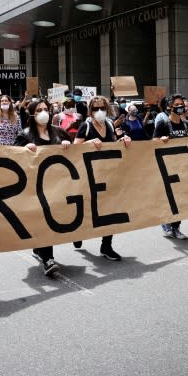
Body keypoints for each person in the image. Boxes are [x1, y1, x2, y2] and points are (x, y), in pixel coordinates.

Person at [14, 100, 72, 275]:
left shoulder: (59, 133)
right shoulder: (25, 135)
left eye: (46, 109)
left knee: (51, 219)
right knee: (45, 219)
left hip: (56, 184)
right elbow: (12, 156)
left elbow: (76, 153)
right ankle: (48, 259)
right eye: (39, 110)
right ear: (32, 114)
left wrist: (67, 146)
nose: (43, 112)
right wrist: (24, 149)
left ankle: (40, 247)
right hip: (34, 186)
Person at [72, 96, 131, 260]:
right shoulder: (86, 126)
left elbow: (111, 144)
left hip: (108, 174)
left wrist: (122, 141)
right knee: (87, 209)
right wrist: (89, 143)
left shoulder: (111, 124)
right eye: (96, 108)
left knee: (110, 209)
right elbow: (74, 149)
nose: (99, 111)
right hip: (88, 176)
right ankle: (78, 232)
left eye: (102, 108)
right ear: (90, 110)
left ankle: (106, 246)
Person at [153, 93, 188, 239]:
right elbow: (153, 142)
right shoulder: (163, 124)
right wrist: (160, 140)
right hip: (168, 168)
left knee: (181, 200)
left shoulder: (187, 124)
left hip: (183, 167)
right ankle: (166, 223)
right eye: (177, 105)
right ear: (170, 107)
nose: (181, 107)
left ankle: (176, 227)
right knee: (169, 198)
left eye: (182, 104)